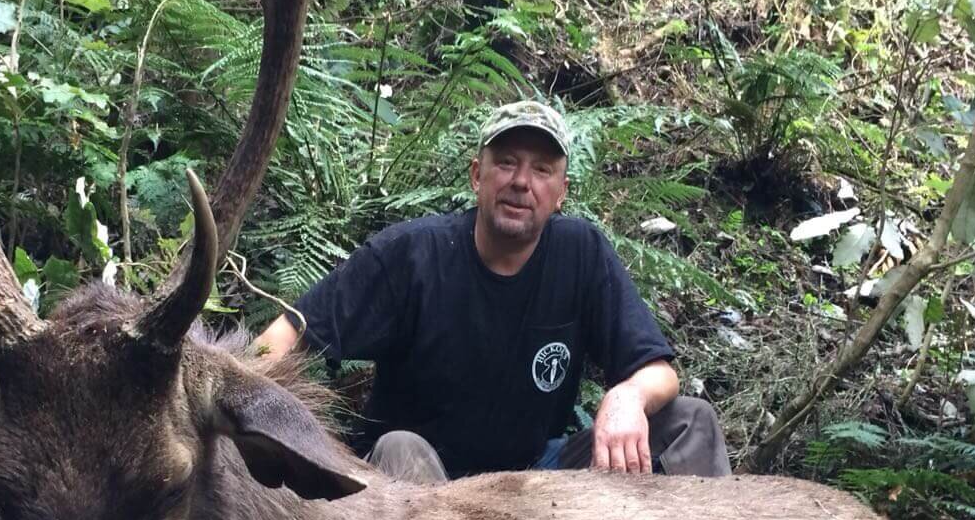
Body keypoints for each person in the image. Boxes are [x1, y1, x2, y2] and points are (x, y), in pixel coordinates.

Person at [254, 100, 729, 483]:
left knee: (691, 424)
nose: (522, 182)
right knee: (401, 449)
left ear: (561, 191)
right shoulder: (413, 255)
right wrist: (240, 405)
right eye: (506, 163)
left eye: (542, 170)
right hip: (424, 487)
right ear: (477, 176)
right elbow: (291, 330)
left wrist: (626, 397)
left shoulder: (580, 253)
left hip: (535, 479)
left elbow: (660, 374)